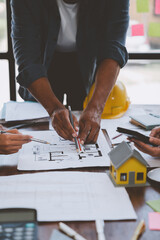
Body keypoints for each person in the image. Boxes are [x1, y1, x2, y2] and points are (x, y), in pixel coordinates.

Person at [11, 0, 129, 144]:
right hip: (44, 63)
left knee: (86, 123)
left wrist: (95, 109)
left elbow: (114, 49)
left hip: (86, 62)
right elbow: (28, 61)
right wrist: (54, 109)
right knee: (39, 122)